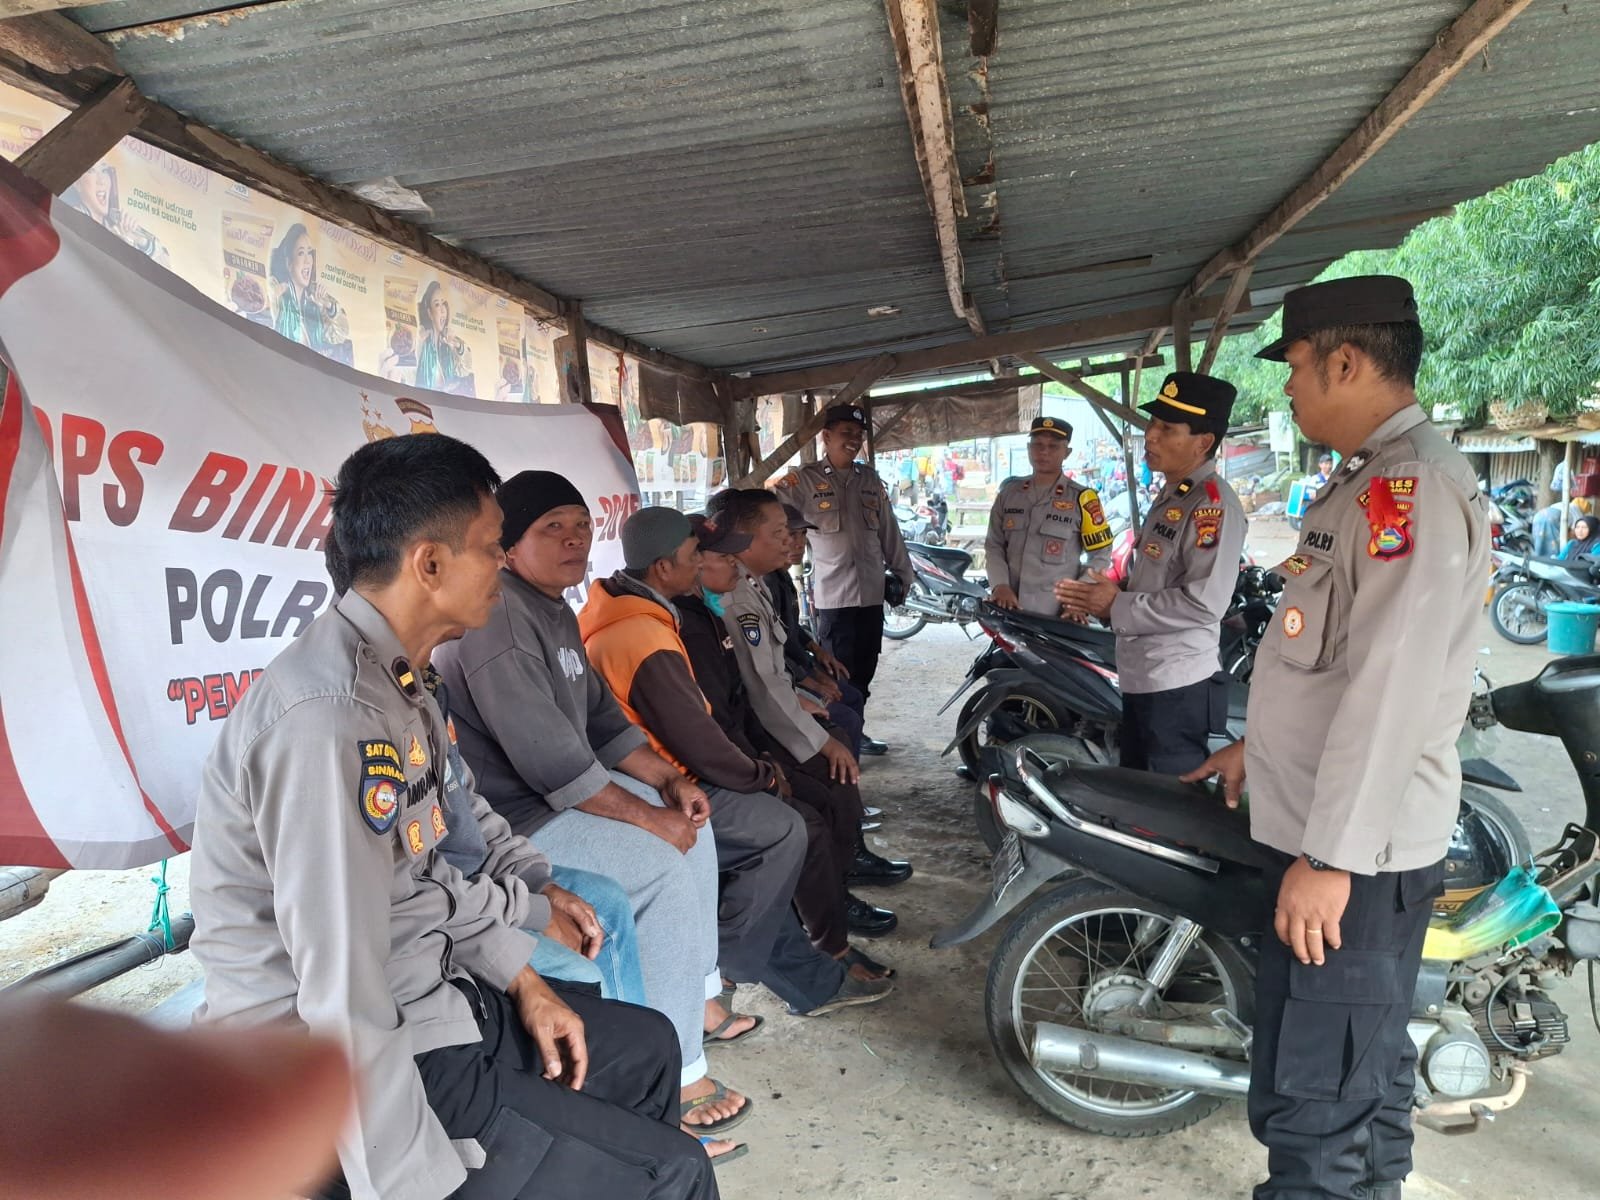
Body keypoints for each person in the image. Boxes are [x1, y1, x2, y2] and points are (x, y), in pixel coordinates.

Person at [187, 433, 717, 1200]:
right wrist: (404, 1180)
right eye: (491, 547)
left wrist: (520, 972)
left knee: (644, 1048)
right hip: (341, 1061)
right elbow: (341, 984)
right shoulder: (329, 719)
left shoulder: (402, 684)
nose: (502, 563)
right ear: (429, 565)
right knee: (674, 1173)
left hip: (431, 989)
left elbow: (435, 861)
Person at [1184, 275, 1492, 1200]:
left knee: (1318, 1104)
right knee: (1359, 1078)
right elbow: (1332, 659)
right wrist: (1260, 748)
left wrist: (1330, 858)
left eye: (1295, 367)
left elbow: (1393, 688)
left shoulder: (1408, 488)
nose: (1286, 387)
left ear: (1347, 362)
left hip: (1355, 858)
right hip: (1337, 838)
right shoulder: (1370, 479)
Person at [432, 471, 761, 1145]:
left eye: (581, 525)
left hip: (560, 796)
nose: (574, 539)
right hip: (521, 819)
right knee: (662, 868)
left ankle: (698, 999)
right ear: (509, 546)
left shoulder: (553, 607)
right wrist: (648, 819)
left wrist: (668, 784)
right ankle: (677, 1078)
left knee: (693, 829)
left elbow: (604, 723)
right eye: (551, 528)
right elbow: (552, 762)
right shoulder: (498, 621)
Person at [578, 506, 895, 1012]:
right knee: (786, 831)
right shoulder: (643, 633)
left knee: (792, 828)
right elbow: (697, 738)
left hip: (680, 773)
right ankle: (722, 968)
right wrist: (761, 777)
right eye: (695, 555)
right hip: (665, 785)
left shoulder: (651, 614)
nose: (706, 563)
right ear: (664, 567)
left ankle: (805, 971)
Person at [679, 512, 901, 950]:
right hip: (729, 756)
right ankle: (827, 937)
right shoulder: (701, 618)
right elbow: (745, 700)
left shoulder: (740, 595)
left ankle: (838, 894)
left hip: (750, 737)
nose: (790, 543)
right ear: (691, 564)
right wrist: (764, 768)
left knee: (832, 776)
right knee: (815, 807)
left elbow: (772, 666)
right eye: (779, 533)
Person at [1056, 372, 1246, 775]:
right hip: (1144, 676)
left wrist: (1117, 604)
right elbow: (1157, 579)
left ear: (1203, 442)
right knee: (1139, 795)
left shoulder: (1213, 505)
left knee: (1167, 801)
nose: (1150, 436)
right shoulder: (1173, 494)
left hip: (1176, 687)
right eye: (1152, 423)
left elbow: (1204, 603)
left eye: (1166, 428)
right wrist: (1108, 594)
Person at [775, 403, 914, 738]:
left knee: (865, 670)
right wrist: (781, 557)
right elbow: (774, 517)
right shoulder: (802, 481)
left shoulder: (869, 480)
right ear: (826, 437)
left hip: (871, 595)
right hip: (833, 598)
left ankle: (856, 731)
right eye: (846, 433)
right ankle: (837, 733)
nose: (853, 440)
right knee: (836, 672)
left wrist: (904, 574)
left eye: (859, 434)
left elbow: (889, 531)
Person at [770, 501, 883, 759]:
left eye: (802, 535)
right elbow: (774, 648)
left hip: (797, 667)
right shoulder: (764, 582)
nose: (798, 544)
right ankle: (844, 775)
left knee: (852, 694)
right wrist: (811, 680)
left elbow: (791, 628)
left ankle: (851, 765)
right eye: (790, 535)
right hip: (783, 679)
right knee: (845, 716)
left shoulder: (781, 577)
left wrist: (817, 650)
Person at [984, 416, 1114, 615]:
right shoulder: (1009, 494)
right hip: (1008, 607)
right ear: (1029, 448)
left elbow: (1100, 555)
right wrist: (999, 585)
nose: (1044, 452)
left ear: (1067, 452)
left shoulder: (1083, 499)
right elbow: (994, 545)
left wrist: (1078, 600)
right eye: (1038, 445)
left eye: (1053, 446)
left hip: (1058, 613)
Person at [269, 223, 354, 365]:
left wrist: (329, 307)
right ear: (289, 263)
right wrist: (276, 293)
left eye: (309, 253)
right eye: (301, 253)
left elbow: (340, 335)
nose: (308, 260)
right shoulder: (279, 292)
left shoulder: (316, 301)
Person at [416, 279, 475, 395]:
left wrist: (457, 345)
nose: (443, 310)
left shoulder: (448, 345)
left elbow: (465, 370)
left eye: (444, 303)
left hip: (449, 402)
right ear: (429, 313)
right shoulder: (422, 341)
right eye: (437, 304)